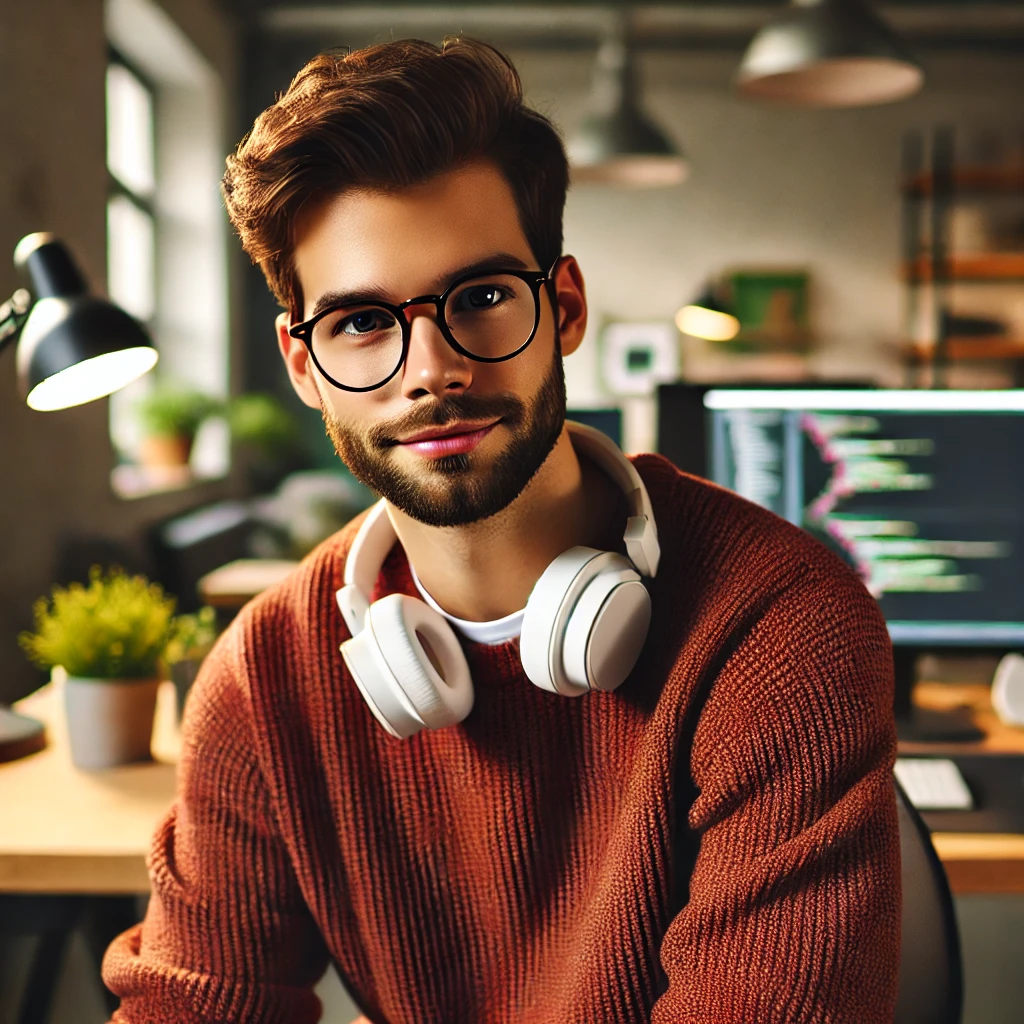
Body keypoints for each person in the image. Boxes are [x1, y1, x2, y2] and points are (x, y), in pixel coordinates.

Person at [102, 37, 900, 1024]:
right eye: (359, 322)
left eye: (479, 298)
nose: (429, 368)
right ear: (302, 367)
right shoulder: (266, 677)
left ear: (561, 306)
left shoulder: (779, 631)